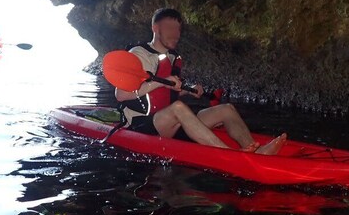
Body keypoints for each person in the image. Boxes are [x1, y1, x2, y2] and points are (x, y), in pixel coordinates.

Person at [115, 8, 287, 155]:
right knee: (179, 108)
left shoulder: (173, 57)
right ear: (155, 28)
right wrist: (161, 82)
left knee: (226, 109)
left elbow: (164, 92)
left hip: (169, 122)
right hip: (141, 125)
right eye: (169, 28)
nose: (175, 34)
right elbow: (121, 94)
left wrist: (186, 90)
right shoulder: (138, 54)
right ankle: (230, 155)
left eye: (178, 29)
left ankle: (256, 152)